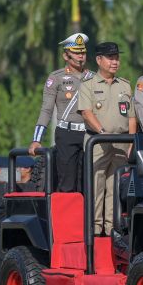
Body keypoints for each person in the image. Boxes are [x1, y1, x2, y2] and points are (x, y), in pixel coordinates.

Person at [78, 42, 137, 236]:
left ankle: (112, 227)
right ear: (99, 60)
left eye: (117, 58)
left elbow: (131, 116)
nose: (115, 62)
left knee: (115, 186)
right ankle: (95, 228)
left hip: (121, 142)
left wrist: (131, 141)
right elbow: (86, 113)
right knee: (97, 184)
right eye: (110, 58)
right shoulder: (89, 85)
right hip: (98, 141)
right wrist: (102, 132)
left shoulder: (125, 85)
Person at [29, 32, 94, 192]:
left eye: (83, 52)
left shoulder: (94, 78)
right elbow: (46, 110)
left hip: (90, 134)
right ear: (66, 56)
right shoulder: (56, 78)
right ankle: (69, 216)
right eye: (76, 53)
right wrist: (37, 139)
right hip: (67, 133)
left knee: (89, 183)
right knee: (67, 182)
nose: (81, 56)